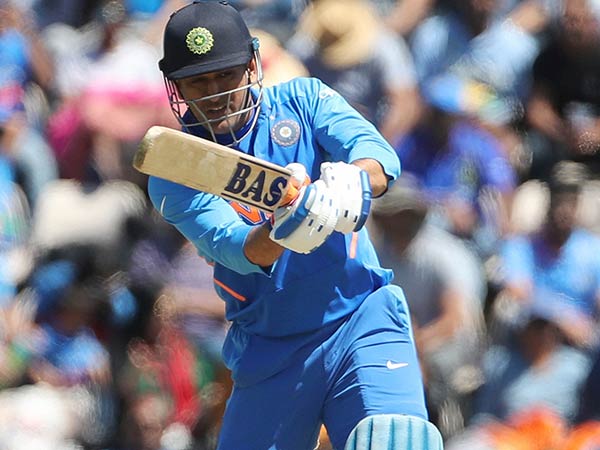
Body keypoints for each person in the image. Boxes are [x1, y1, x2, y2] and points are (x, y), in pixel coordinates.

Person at [148, 2, 443, 450]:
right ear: (176, 86)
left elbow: (378, 156)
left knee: (396, 440)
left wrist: (347, 183)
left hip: (359, 318)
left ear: (252, 65)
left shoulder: (302, 100)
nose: (215, 93)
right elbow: (236, 248)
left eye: (225, 75)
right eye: (198, 82)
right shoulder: (176, 168)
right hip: (271, 347)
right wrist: (286, 226)